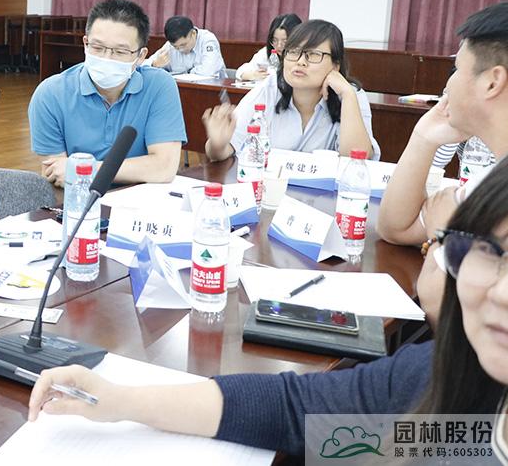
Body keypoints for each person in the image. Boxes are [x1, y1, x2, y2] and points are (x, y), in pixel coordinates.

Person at [28, 159, 508, 459]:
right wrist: (120, 401)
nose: (502, 293)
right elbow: (296, 409)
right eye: (492, 251)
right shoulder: (447, 378)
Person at [379, 1, 508, 248]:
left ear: (492, 82)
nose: (448, 85)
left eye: (456, 69)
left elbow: (439, 278)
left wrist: (445, 234)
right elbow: (396, 228)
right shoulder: (494, 177)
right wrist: (423, 139)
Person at [28, 0, 186, 187]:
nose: (107, 58)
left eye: (120, 51)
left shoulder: (159, 86)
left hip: (141, 200)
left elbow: (164, 167)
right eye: (97, 47)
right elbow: (58, 176)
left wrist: (86, 169)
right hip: (78, 200)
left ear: (141, 56)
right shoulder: (50, 94)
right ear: (85, 44)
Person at [202, 19, 379, 161]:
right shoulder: (269, 88)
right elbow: (220, 152)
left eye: (313, 55)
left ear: (335, 65)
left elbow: (357, 159)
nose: (300, 62)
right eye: (293, 52)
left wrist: (347, 95)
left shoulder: (350, 94)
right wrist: (218, 144)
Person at [145, 15, 226, 78]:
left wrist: (188, 72)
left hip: (213, 89)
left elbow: (209, 70)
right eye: (176, 47)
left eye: (183, 45)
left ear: (193, 33)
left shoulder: (207, 40)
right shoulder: (170, 46)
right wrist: (154, 64)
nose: (180, 49)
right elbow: (144, 66)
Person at [235, 13, 302, 81]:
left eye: (285, 41)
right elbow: (241, 71)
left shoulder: (303, 56)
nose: (279, 46)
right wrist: (253, 75)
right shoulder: (267, 52)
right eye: (275, 40)